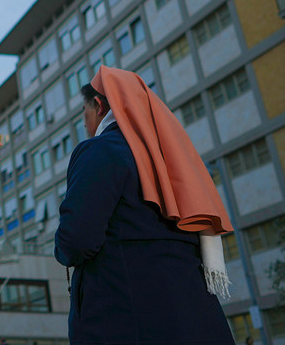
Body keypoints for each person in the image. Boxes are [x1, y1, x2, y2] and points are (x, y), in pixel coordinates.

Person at [55, 66, 235, 344]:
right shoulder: (172, 161)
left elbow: (76, 238)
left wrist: (62, 249)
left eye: (84, 110)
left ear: (100, 106)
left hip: (126, 320)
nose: (84, 120)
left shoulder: (100, 150)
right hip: (199, 321)